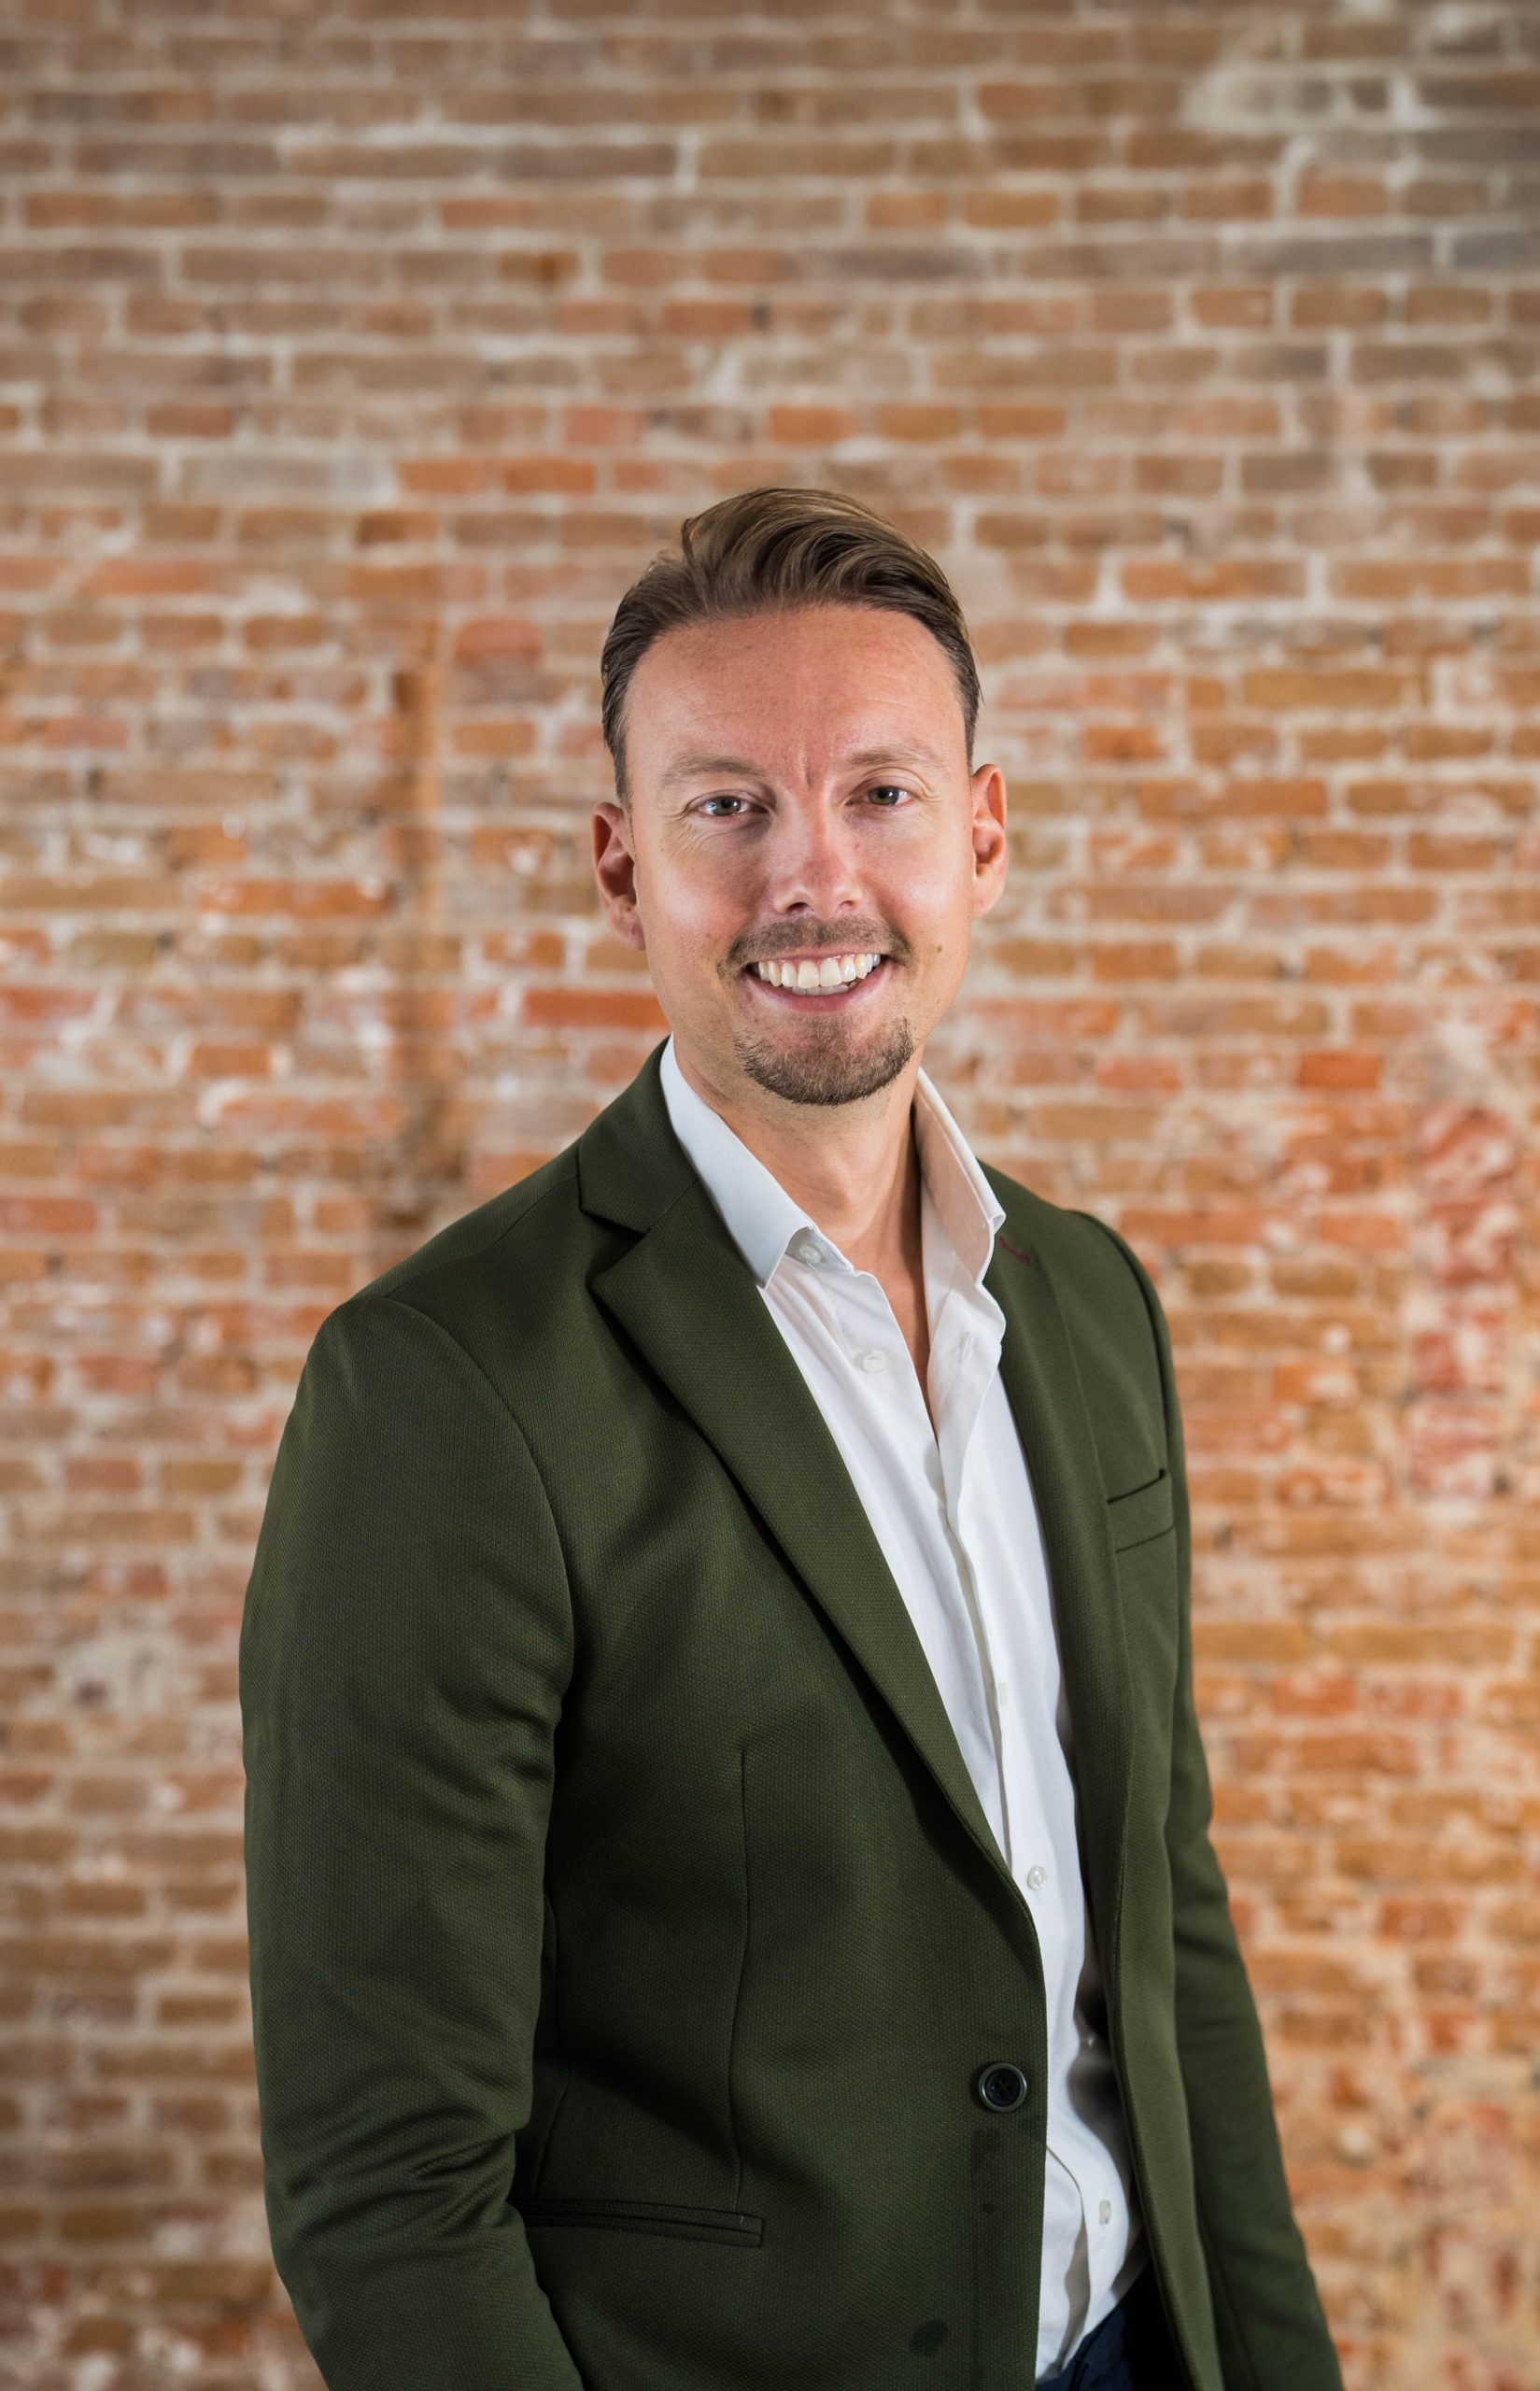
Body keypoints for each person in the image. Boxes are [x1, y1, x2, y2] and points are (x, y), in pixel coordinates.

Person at [240, 487, 1345, 2391]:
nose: (810, 879)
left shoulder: (1088, 1304)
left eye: (880, 795)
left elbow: (1164, 1934)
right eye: (727, 805)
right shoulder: (439, 1387)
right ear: (621, 869)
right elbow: (387, 2188)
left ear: (981, 837)